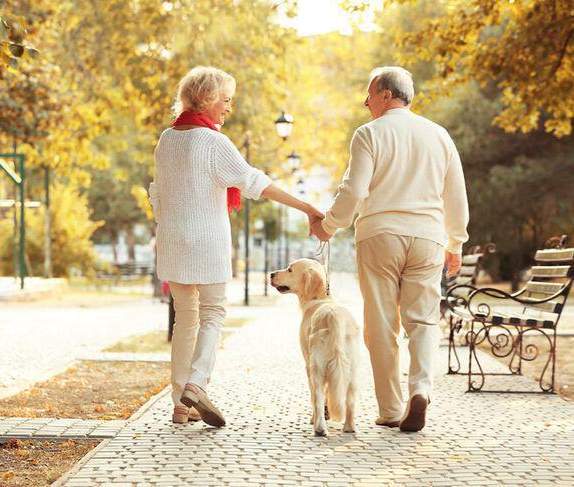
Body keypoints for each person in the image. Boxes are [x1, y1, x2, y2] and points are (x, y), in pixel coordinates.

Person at [149, 66, 323, 427]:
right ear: (209, 99)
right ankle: (196, 385)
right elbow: (255, 182)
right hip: (207, 240)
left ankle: (180, 403)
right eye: (226, 101)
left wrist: (167, 229)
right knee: (213, 314)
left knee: (185, 318)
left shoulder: (167, 139)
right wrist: (306, 206)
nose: (229, 108)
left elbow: (157, 194)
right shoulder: (212, 142)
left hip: (172, 240)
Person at [311, 66, 469, 432]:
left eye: (369, 94)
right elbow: (456, 193)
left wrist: (329, 226)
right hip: (428, 236)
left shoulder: (369, 134)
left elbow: (354, 191)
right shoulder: (439, 135)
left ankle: (392, 408)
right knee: (423, 319)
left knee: (381, 323)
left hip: (380, 234)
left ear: (385, 94)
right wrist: (456, 241)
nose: (365, 102)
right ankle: (421, 390)